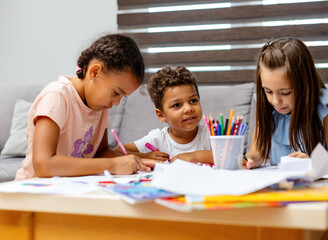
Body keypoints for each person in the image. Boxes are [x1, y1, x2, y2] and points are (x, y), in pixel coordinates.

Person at [15, 34, 153, 180]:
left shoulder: (100, 107)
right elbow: (44, 165)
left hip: (67, 190)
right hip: (32, 192)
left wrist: (138, 162)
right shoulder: (57, 96)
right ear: (95, 72)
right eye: (116, 93)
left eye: (122, 96)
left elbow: (101, 152)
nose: (117, 103)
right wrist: (112, 165)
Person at [244, 37, 328, 169]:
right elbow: (257, 151)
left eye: (285, 93)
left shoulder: (326, 105)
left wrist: (312, 161)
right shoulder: (265, 104)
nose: (276, 101)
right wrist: (250, 159)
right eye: (268, 91)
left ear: (305, 85)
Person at [114, 66, 213, 164]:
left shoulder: (211, 135)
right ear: (161, 115)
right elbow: (116, 151)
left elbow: (227, 156)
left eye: (193, 100)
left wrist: (195, 156)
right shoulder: (157, 139)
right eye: (177, 105)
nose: (188, 109)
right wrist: (145, 156)